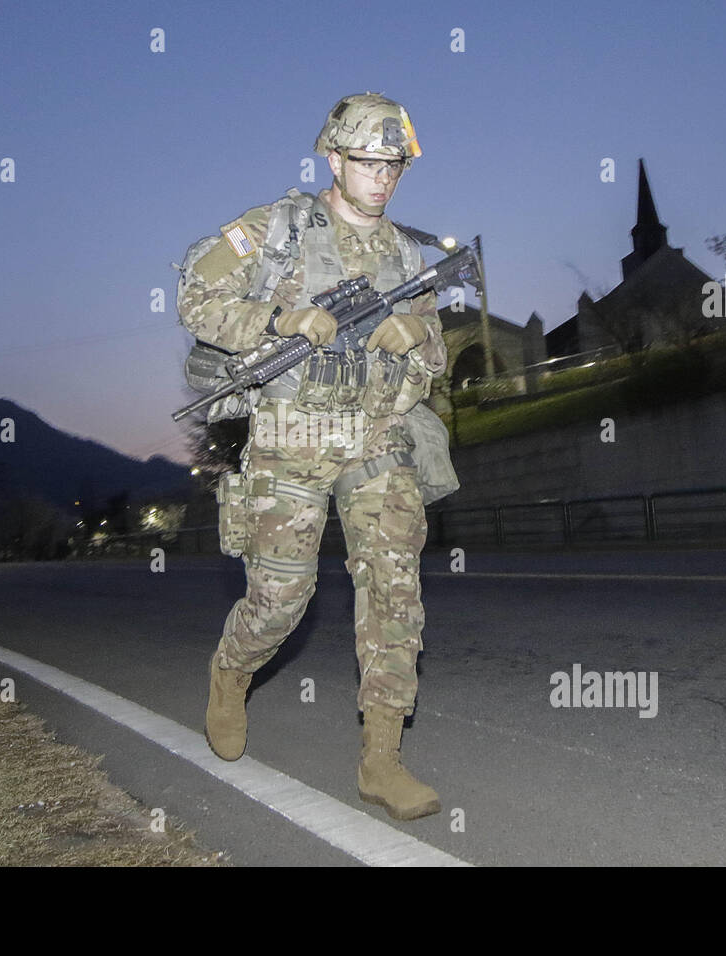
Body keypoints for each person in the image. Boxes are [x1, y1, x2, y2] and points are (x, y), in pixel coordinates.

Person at [178, 93, 448, 821]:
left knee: (395, 591)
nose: (383, 177)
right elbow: (194, 295)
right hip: (290, 439)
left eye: (393, 164)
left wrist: (413, 343)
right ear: (333, 158)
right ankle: (232, 671)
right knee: (281, 602)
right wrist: (277, 318)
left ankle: (382, 761)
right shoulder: (279, 229)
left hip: (375, 437)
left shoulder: (407, 254)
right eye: (367, 162)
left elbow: (434, 356)